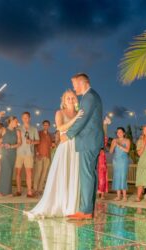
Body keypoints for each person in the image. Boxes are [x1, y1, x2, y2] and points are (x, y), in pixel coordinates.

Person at [27, 90, 83, 218]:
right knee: (63, 174)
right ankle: (62, 204)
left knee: (74, 174)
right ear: (63, 101)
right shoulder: (60, 113)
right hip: (65, 146)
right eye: (67, 98)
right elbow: (60, 128)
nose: (70, 99)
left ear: (76, 100)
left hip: (77, 147)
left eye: (72, 97)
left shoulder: (79, 113)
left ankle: (73, 205)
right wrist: (76, 118)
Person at [61, 73, 104, 220]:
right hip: (92, 141)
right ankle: (88, 209)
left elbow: (82, 119)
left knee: (86, 175)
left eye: (74, 85)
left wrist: (68, 134)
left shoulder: (89, 97)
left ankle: (85, 211)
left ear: (82, 83)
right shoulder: (92, 96)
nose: (74, 88)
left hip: (88, 141)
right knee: (90, 174)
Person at [0, 112, 21, 196]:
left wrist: (11, 146)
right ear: (11, 121)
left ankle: (8, 191)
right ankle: (1, 191)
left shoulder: (18, 131)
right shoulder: (4, 129)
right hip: (4, 153)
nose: (17, 122)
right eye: (16, 121)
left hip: (13, 153)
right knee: (5, 170)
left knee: (10, 171)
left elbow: (19, 143)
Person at [14, 112, 40, 198]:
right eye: (24, 117)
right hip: (19, 153)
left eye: (27, 117)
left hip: (29, 153)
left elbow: (38, 141)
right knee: (18, 172)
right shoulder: (18, 128)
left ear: (30, 118)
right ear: (22, 118)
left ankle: (29, 192)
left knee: (29, 173)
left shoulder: (34, 129)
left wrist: (32, 142)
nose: (25, 119)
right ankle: (18, 190)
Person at [110, 127, 130, 201]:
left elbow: (127, 150)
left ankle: (124, 196)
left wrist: (119, 145)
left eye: (120, 132)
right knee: (117, 177)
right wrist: (114, 145)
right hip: (116, 161)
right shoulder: (114, 140)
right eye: (117, 132)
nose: (119, 133)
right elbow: (111, 151)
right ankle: (118, 196)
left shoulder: (127, 140)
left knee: (123, 177)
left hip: (123, 160)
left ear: (124, 133)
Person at [34, 120, 53, 195]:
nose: (46, 126)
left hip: (47, 156)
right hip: (40, 156)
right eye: (44, 125)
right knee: (38, 173)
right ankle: (35, 189)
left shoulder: (50, 135)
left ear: (49, 126)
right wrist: (37, 153)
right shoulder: (39, 133)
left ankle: (40, 189)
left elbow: (51, 145)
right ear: (43, 125)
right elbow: (35, 144)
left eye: (47, 125)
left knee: (44, 174)